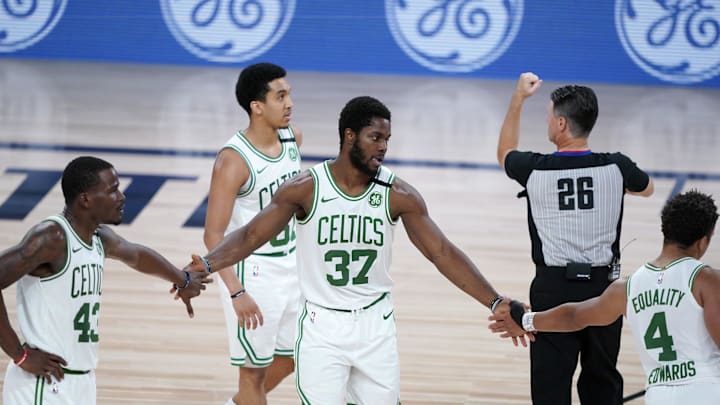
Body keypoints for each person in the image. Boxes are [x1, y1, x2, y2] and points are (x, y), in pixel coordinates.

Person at [187, 95, 517, 404]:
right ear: (349, 136)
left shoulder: (398, 193)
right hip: (321, 327)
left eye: (387, 139)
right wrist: (206, 264)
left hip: (376, 325)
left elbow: (441, 252)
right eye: (375, 137)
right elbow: (250, 236)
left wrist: (493, 299)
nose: (384, 147)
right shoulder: (306, 189)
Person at [496, 72, 654, 405]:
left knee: (551, 387)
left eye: (550, 116)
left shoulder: (534, 168)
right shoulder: (617, 166)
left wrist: (518, 99)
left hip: (552, 288)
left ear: (562, 124)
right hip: (604, 290)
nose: (548, 123)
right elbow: (648, 188)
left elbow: (505, 152)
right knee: (601, 382)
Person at [0, 156, 210, 405]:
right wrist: (19, 354)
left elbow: (136, 255)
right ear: (86, 199)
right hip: (43, 385)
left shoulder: (100, 238)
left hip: (82, 381)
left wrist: (183, 279)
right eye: (112, 191)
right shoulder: (52, 238)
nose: (121, 197)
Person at [490, 190, 720, 405]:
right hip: (708, 391)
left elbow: (573, 316)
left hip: (659, 396)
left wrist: (525, 320)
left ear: (665, 231)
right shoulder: (707, 280)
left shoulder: (626, 288)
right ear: (703, 241)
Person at [203, 62, 302, 405]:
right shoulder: (234, 160)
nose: (289, 102)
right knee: (252, 373)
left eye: (288, 94)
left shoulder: (293, 138)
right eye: (281, 96)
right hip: (253, 270)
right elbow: (213, 236)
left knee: (294, 356)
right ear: (257, 107)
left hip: (292, 266)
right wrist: (236, 291)